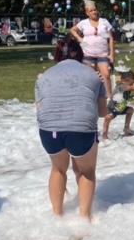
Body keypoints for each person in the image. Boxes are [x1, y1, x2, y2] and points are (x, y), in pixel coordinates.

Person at [35, 35, 107, 220]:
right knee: (86, 172)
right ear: (80, 54)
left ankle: (57, 216)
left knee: (58, 170)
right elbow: (101, 112)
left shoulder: (44, 77)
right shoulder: (93, 75)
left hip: (49, 130)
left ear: (57, 55)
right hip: (81, 130)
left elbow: (40, 109)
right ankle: (85, 218)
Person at [70, 0, 115, 97]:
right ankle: (90, 97)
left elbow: (111, 39)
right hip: (88, 54)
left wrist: (111, 54)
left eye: (95, 9)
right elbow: (72, 30)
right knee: (89, 77)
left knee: (106, 75)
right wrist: (79, 39)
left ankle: (109, 97)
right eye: (91, 10)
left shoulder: (104, 22)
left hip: (103, 54)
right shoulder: (83, 23)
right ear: (87, 13)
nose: (94, 12)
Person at [103, 68, 134, 140]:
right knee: (108, 118)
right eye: (131, 82)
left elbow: (133, 88)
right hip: (113, 108)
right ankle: (104, 134)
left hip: (121, 108)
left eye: (133, 83)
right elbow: (130, 87)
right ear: (125, 80)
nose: (132, 84)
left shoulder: (127, 85)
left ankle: (126, 128)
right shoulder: (121, 86)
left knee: (130, 110)